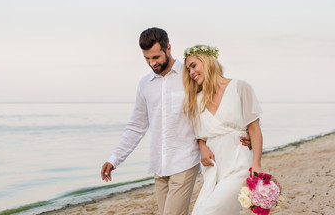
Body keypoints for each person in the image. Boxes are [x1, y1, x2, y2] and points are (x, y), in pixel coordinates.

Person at [101, 28, 251, 215]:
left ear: (168, 48)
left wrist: (247, 132)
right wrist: (115, 159)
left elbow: (217, 105)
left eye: (156, 57)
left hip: (185, 160)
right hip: (159, 164)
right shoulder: (145, 84)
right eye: (147, 58)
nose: (152, 63)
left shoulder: (190, 76)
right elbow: (136, 126)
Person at [182, 45, 263, 215]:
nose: (191, 73)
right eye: (188, 69)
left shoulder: (240, 87)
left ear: (208, 61)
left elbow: (254, 128)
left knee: (206, 212)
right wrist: (202, 148)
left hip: (238, 163)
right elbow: (201, 134)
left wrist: (256, 164)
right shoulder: (196, 100)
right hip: (213, 168)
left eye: (193, 65)